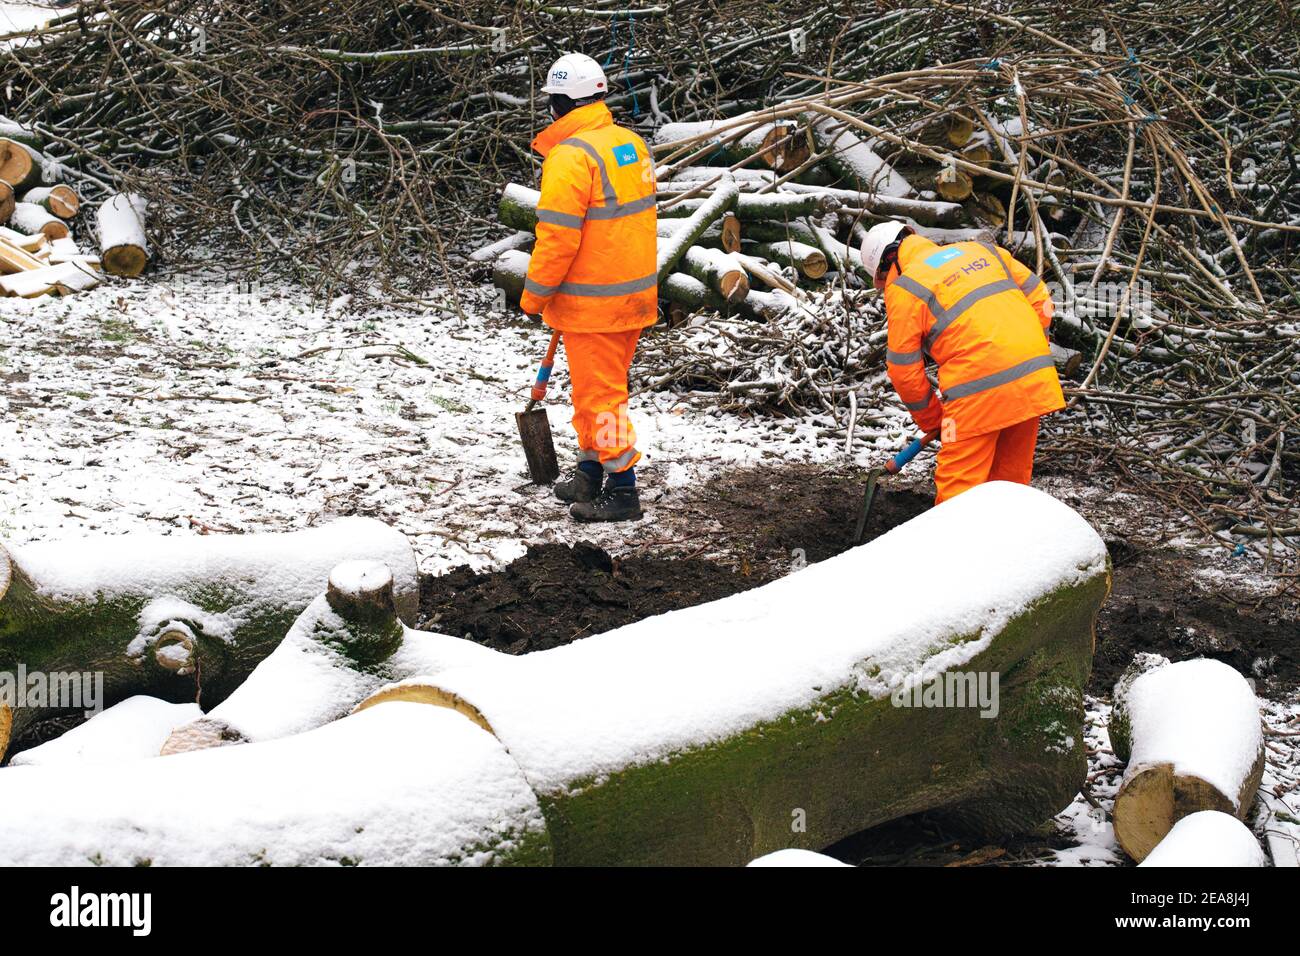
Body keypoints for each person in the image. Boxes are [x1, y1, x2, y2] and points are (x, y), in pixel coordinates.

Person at [518, 53, 656, 523]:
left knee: (601, 398)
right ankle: (590, 470)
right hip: (630, 297)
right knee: (594, 391)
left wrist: (534, 294)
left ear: (559, 103)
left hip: (593, 303)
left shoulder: (571, 157)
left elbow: (557, 236)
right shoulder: (629, 144)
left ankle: (623, 489)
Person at [861, 220, 1064, 504]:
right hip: (1033, 379)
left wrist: (936, 420)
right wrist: (1029, 350)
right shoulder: (984, 251)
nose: (886, 288)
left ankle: (953, 549)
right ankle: (1010, 548)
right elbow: (1042, 297)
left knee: (957, 492)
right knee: (1011, 485)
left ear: (888, 263)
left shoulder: (906, 287)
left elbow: (903, 371)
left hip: (977, 393)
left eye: (883, 281)